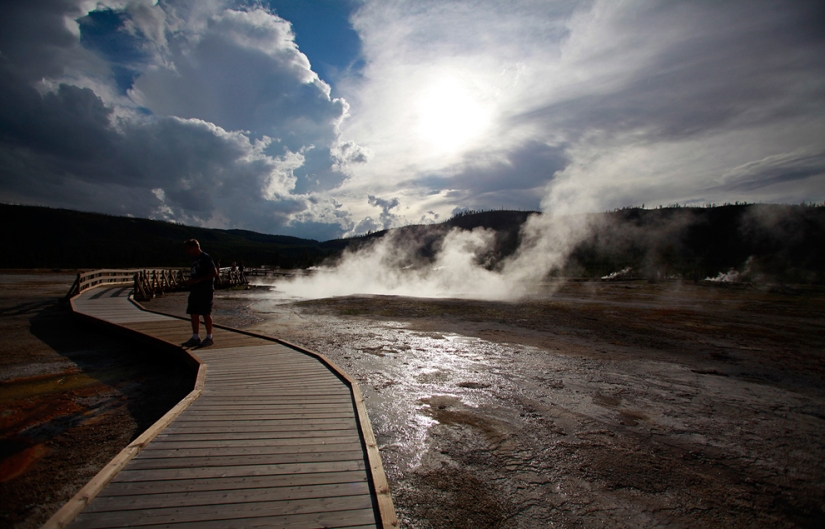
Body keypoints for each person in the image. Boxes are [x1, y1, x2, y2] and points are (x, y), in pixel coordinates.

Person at [182, 239, 219, 348]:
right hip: (195, 289)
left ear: (195, 247)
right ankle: (195, 337)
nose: (187, 252)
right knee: (193, 312)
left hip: (205, 289)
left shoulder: (206, 258)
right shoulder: (195, 259)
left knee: (206, 313)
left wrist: (198, 280)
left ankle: (209, 337)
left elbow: (214, 273)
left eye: (189, 249)